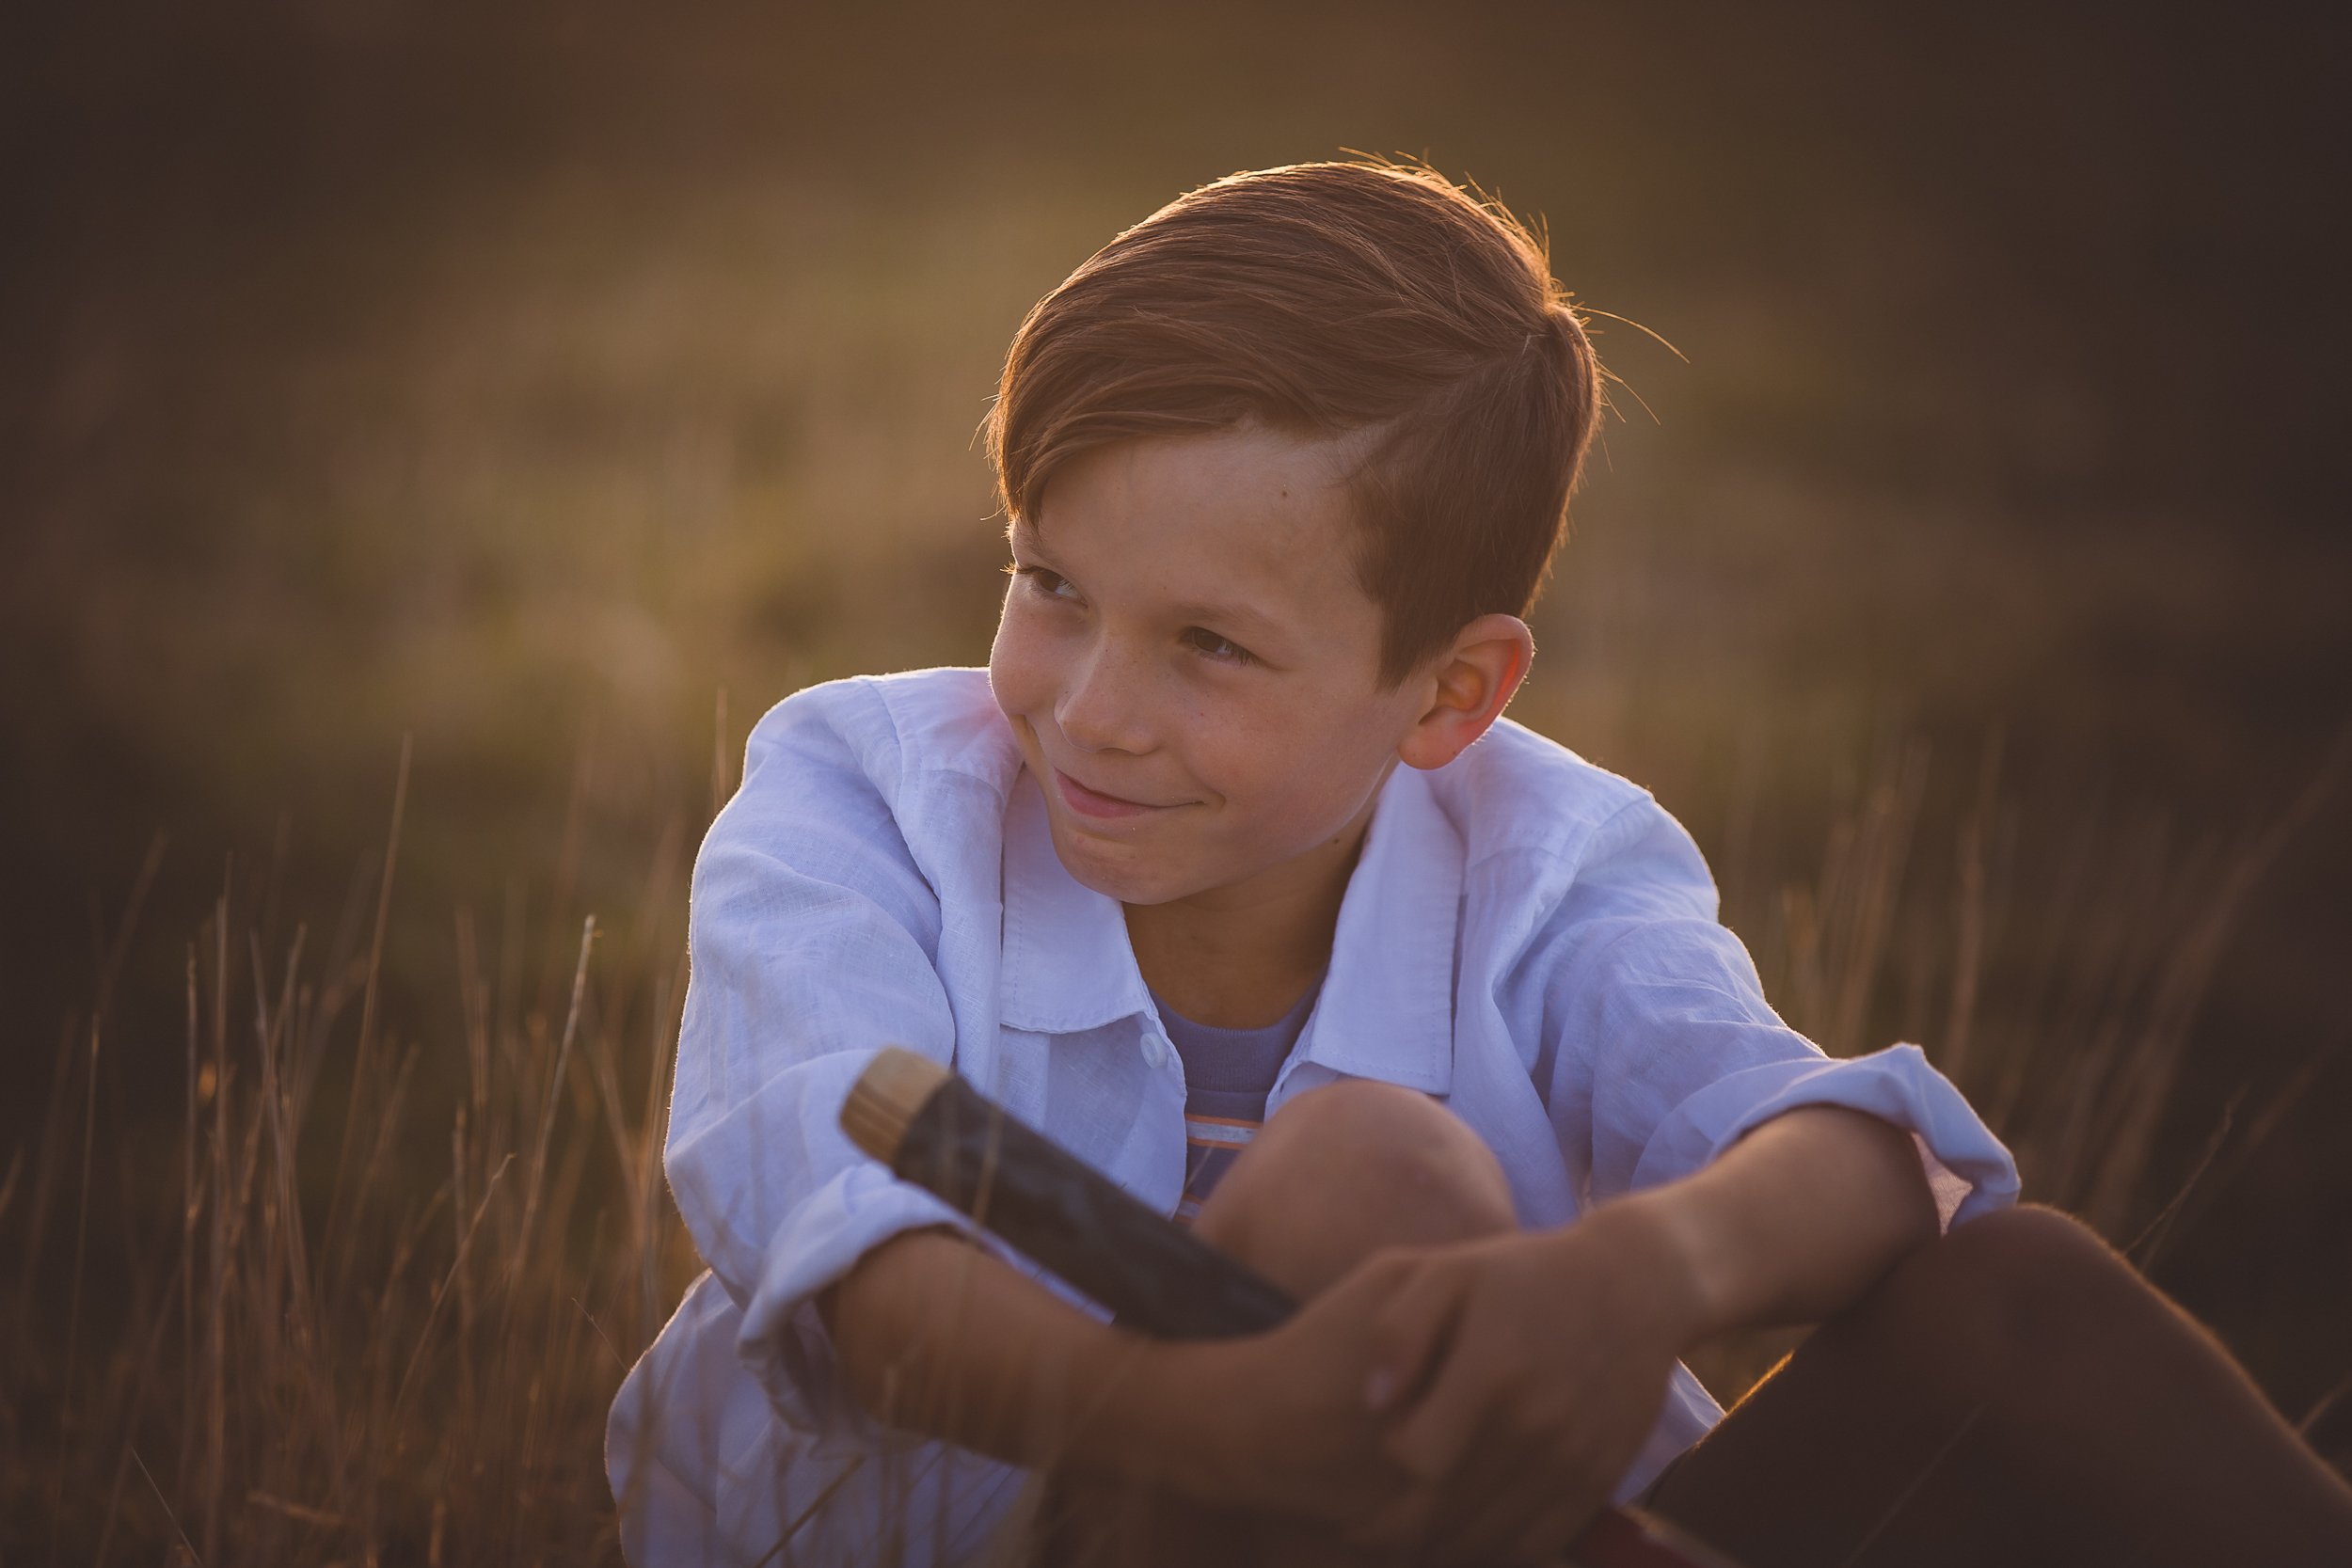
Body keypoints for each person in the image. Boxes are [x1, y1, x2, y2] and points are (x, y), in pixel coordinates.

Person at [606, 160, 2352, 1566]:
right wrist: (1205, 1426)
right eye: (1052, 587)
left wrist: (1635, 1278)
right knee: (1374, 1178)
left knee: (2019, 1293)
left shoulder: (1551, 855)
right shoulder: (858, 795)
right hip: (986, 1537)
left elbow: (1880, 1174)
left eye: (1209, 645)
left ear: (1452, 693)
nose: (1092, 716)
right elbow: (842, 1252)